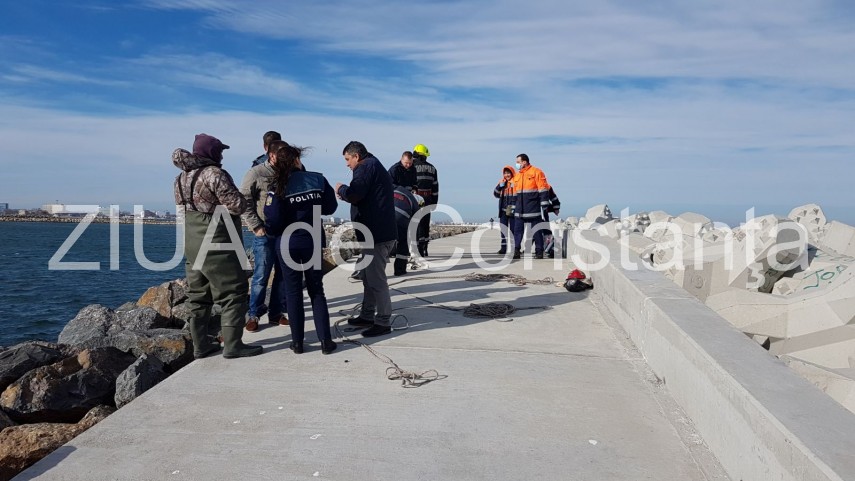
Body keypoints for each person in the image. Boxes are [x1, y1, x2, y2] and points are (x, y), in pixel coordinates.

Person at [173, 133, 263, 358]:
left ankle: (200, 346)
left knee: (198, 295)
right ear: (210, 152)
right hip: (216, 239)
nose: (222, 155)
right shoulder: (214, 174)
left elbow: (182, 211)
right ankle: (233, 346)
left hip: (190, 240)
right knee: (234, 291)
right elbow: (237, 205)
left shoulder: (180, 179)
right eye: (219, 151)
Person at [263, 142, 338, 354]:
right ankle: (326, 341)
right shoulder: (317, 179)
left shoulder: (277, 185)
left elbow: (273, 220)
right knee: (316, 291)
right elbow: (330, 207)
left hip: (287, 243)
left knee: (293, 292)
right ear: (297, 160)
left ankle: (297, 343)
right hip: (312, 240)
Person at [335, 141, 397, 338]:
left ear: (356, 156)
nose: (347, 164)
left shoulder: (364, 168)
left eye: (347, 159)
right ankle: (368, 315)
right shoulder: (374, 164)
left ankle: (383, 321)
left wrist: (341, 189)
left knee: (376, 280)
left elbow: (356, 194)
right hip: (376, 233)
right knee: (368, 278)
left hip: (376, 236)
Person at [240, 132, 288, 332]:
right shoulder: (256, 173)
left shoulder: (289, 172)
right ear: (271, 154)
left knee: (283, 275)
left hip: (285, 232)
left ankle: (276, 313)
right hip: (264, 232)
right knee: (261, 275)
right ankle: (254, 314)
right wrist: (256, 226)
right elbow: (244, 201)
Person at [511, 153, 552, 260]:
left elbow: (543, 188)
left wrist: (544, 204)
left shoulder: (537, 172)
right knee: (517, 231)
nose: (517, 164)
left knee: (536, 230)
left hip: (533, 207)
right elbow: (514, 193)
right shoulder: (517, 175)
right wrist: (512, 206)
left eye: (518, 162)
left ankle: (539, 251)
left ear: (524, 162)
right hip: (519, 209)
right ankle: (516, 250)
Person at [411, 143, 438, 257]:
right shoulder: (433, 168)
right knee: (425, 224)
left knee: (415, 224)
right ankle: (425, 248)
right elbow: (435, 187)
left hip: (415, 198)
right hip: (428, 198)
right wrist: (434, 202)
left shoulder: (411, 167)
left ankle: (417, 248)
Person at [392, 185, 422, 276]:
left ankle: (367, 271)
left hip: (384, 215)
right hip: (400, 218)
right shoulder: (413, 200)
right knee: (403, 241)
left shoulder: (393, 189)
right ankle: (399, 269)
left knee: (380, 244)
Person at [493, 165, 517, 255]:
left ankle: (514, 248)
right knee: (503, 230)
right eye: (505, 173)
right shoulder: (502, 182)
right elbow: (495, 194)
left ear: (512, 173)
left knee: (513, 230)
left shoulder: (515, 181)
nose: (507, 175)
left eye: (508, 173)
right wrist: (500, 186)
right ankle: (503, 248)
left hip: (512, 209)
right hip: (503, 210)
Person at [543, 186, 561, 258]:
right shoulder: (528, 184)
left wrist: (556, 208)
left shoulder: (547, 186)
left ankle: (548, 249)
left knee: (546, 232)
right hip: (532, 212)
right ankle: (542, 249)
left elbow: (554, 197)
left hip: (543, 213)